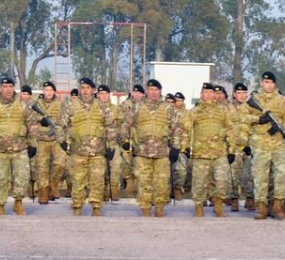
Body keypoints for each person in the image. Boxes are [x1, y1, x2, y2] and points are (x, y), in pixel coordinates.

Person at [0, 76, 38, 215]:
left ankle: (18, 203)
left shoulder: (22, 104)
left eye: (10, 86)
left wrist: (33, 144)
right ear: (0, 88)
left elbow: (32, 124)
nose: (8, 90)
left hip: (20, 148)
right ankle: (0, 205)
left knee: (22, 177)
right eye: (5, 87)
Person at [57, 77, 117, 216]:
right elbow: (59, 125)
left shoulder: (102, 107)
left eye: (88, 88)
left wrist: (111, 146)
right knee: (78, 182)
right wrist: (62, 141)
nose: (85, 91)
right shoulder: (71, 106)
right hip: (78, 152)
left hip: (98, 153)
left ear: (93, 90)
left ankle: (96, 208)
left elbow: (111, 127)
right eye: (82, 88)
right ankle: (77, 208)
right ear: (79, 90)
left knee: (97, 182)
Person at [120, 78, 180, 217]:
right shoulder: (137, 107)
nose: (153, 93)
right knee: (143, 182)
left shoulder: (168, 109)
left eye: (156, 90)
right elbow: (125, 124)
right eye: (151, 90)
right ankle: (145, 210)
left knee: (162, 182)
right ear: (146, 91)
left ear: (160, 92)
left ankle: (159, 209)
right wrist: (125, 141)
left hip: (162, 153)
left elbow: (177, 128)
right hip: (142, 152)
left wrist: (176, 147)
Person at [242, 70, 285, 220]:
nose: (269, 85)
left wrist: (284, 129)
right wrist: (258, 119)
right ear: (261, 83)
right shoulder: (254, 100)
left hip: (278, 144)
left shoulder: (282, 101)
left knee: (283, 173)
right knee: (260, 177)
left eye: (271, 82)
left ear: (275, 84)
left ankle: (277, 204)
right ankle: (261, 207)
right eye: (266, 82)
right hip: (259, 144)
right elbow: (241, 117)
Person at [182, 82, 233, 216]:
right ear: (201, 95)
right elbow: (186, 129)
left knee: (222, 181)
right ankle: (199, 206)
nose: (209, 95)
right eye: (206, 92)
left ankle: (218, 204)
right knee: (199, 183)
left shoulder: (223, 111)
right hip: (201, 153)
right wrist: (185, 146)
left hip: (220, 152)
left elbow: (230, 130)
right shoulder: (194, 112)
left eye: (211, 92)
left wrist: (232, 149)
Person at [31, 81, 65, 203]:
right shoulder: (36, 104)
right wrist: (41, 119)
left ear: (54, 91)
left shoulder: (60, 104)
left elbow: (64, 119)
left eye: (51, 90)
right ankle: (43, 193)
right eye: (46, 90)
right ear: (43, 91)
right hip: (41, 139)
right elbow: (30, 117)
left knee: (60, 163)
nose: (49, 92)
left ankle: (54, 184)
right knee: (42, 167)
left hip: (56, 138)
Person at [227, 83, 254, 211]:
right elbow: (227, 127)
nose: (242, 96)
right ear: (234, 94)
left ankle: (250, 198)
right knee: (234, 174)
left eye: (244, 93)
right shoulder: (227, 108)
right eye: (239, 93)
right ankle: (234, 199)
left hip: (249, 146)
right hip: (234, 147)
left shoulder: (251, 108)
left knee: (249, 174)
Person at [97, 84, 124, 201]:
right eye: (101, 94)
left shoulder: (116, 109)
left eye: (105, 94)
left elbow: (122, 124)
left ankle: (114, 190)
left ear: (109, 95)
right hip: (98, 144)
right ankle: (103, 190)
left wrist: (122, 139)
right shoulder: (94, 109)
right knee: (101, 169)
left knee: (116, 167)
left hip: (113, 143)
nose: (103, 96)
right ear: (98, 95)